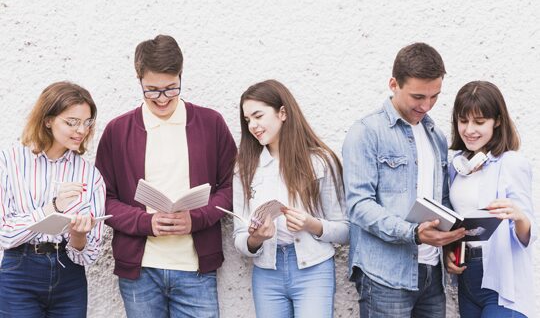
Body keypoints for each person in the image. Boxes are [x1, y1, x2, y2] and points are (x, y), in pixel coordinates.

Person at [95, 35, 237, 318]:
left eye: (171, 89)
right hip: (140, 272)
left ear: (181, 76)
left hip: (196, 269)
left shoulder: (211, 124)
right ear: (139, 80)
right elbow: (102, 199)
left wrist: (194, 218)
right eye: (152, 90)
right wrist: (145, 222)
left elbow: (233, 188)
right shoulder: (117, 131)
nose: (162, 99)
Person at [342, 43, 466, 317]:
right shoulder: (366, 132)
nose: (426, 105)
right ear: (393, 84)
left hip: (432, 275)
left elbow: (440, 200)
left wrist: (449, 243)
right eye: (418, 96)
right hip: (385, 276)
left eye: (434, 96)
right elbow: (358, 206)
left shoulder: (436, 136)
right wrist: (412, 233)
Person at [232, 79, 348, 318]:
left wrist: (311, 224)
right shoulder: (244, 168)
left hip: (314, 270)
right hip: (267, 273)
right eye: (247, 120)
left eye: (258, 116)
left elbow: (346, 230)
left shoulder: (321, 161)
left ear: (282, 113)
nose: (252, 125)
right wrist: (255, 239)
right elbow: (238, 236)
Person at [0, 81, 106, 318]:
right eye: (72, 122)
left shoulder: (90, 176)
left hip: (69, 276)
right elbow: (5, 234)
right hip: (19, 271)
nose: (81, 130)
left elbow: (89, 255)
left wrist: (79, 235)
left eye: (87, 123)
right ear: (48, 120)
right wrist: (53, 208)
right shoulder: (8, 162)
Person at [444, 81, 536, 317]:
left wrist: (519, 216)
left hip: (502, 283)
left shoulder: (511, 163)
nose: (469, 129)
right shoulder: (457, 165)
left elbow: (529, 235)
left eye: (479, 122)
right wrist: (449, 252)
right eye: (463, 121)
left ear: (497, 121)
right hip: (466, 276)